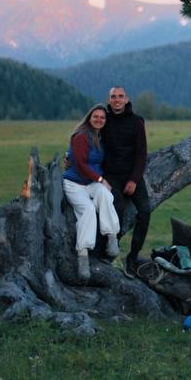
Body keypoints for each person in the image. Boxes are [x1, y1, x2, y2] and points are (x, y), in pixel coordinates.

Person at [63, 104, 120, 281]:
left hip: (90, 182)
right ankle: (83, 256)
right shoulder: (81, 136)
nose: (99, 120)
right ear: (89, 118)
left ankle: (112, 237)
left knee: (105, 195)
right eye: (95, 116)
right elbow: (80, 164)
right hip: (74, 183)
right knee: (87, 210)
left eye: (102, 118)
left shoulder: (99, 137)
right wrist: (101, 180)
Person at [103, 85, 152, 279]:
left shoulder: (136, 121)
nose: (117, 100)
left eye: (120, 96)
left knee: (145, 211)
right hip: (110, 177)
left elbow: (141, 154)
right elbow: (85, 138)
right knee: (118, 209)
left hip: (132, 175)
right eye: (113, 97)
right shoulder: (103, 120)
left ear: (126, 99)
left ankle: (132, 258)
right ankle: (108, 252)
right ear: (109, 100)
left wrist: (133, 180)